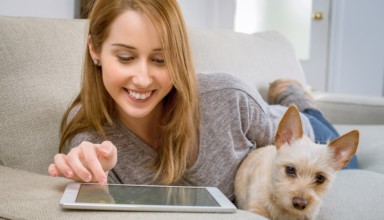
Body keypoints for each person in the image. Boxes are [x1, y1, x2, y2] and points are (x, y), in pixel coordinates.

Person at [48, 0, 357, 201]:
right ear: (95, 50)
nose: (142, 79)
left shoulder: (228, 97)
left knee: (344, 152)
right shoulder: (88, 145)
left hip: (299, 130)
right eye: (126, 57)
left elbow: (297, 141)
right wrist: (93, 186)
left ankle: (295, 95)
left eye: (160, 60)